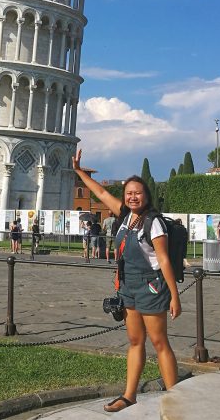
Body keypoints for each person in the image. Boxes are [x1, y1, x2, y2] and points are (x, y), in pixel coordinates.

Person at [73, 150, 181, 413]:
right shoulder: (124, 217)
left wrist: (174, 296)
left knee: (159, 342)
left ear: (146, 196)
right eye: (129, 193)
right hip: (128, 286)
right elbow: (101, 194)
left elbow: (164, 260)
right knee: (135, 341)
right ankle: (129, 395)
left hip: (151, 285)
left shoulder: (153, 223)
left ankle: (177, 400)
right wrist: (78, 172)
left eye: (138, 193)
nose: (133, 196)